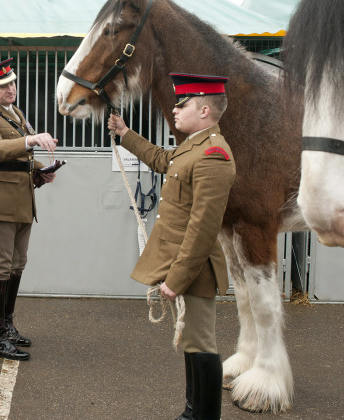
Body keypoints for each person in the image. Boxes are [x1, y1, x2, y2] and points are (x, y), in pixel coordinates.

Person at [108, 73, 235, 420]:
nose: (175, 110)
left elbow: (202, 229)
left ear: (205, 109)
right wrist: (125, 134)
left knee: (201, 344)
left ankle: (201, 416)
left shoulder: (213, 154)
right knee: (193, 343)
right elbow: (164, 161)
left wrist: (176, 279)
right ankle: (192, 412)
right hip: (185, 264)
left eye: (184, 104)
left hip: (194, 267)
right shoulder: (194, 145)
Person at [0, 58, 58, 361]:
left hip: (22, 199)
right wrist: (30, 140)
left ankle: (7, 326)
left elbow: (19, 157)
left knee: (17, 263)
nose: (11, 89)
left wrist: (41, 168)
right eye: (3, 86)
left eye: (12, 83)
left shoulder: (14, 112)